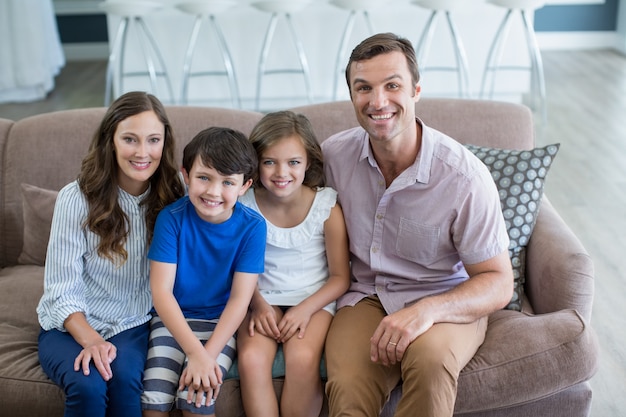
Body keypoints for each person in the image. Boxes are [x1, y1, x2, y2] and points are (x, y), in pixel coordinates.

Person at [321, 33, 515, 417]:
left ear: (416, 91)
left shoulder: (464, 178)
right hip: (365, 295)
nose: (378, 102)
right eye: (364, 88)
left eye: (392, 85)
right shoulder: (332, 158)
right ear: (352, 97)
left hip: (444, 300)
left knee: (430, 366)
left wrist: (428, 310)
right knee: (346, 387)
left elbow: (498, 281)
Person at [37, 91, 186, 417]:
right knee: (88, 384)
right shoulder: (75, 198)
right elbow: (61, 288)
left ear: (165, 142)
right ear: (111, 141)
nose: (143, 152)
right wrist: (91, 340)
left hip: (133, 324)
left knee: (123, 380)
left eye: (153, 140)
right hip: (70, 324)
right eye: (130, 139)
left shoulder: (175, 193)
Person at [141, 127, 266, 417]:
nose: (213, 191)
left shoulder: (253, 227)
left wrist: (206, 355)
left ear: (245, 186)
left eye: (227, 182)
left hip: (218, 324)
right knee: (154, 400)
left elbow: (239, 300)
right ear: (186, 176)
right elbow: (161, 293)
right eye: (204, 178)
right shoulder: (171, 219)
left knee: (198, 398)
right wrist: (194, 353)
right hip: (171, 321)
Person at [236, 111, 350, 417]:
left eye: (293, 162)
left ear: (308, 162)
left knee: (301, 359)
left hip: (312, 300)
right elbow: (235, 267)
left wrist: (305, 309)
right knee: (251, 360)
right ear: (256, 162)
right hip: (259, 298)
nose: (280, 172)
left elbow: (340, 277)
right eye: (269, 161)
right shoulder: (244, 205)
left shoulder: (326, 206)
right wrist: (257, 304)